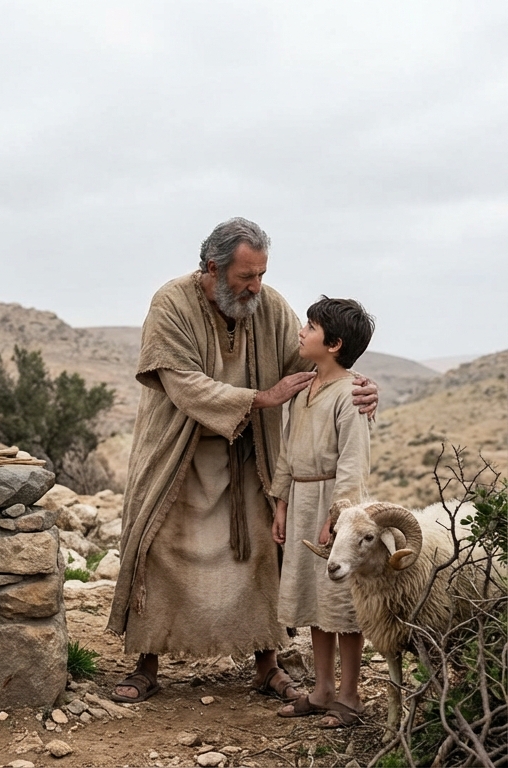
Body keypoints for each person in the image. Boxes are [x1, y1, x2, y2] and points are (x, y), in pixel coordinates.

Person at [107, 218, 379, 705]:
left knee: (259, 551)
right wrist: (262, 396)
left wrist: (357, 384)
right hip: (179, 451)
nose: (256, 286)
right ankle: (147, 662)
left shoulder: (269, 306)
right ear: (212, 268)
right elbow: (179, 380)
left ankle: (266, 664)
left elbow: (315, 361)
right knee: (159, 544)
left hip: (251, 454)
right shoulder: (170, 303)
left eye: (261, 274)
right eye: (245, 277)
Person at [271, 297, 375, 728]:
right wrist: (281, 502)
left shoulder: (351, 396)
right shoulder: (304, 389)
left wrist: (340, 514)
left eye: (310, 327)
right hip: (300, 501)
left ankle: (349, 697)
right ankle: (322, 690)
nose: (302, 331)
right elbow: (287, 450)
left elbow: (354, 461)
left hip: (334, 507)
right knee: (314, 599)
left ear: (333, 343)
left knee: (341, 602)